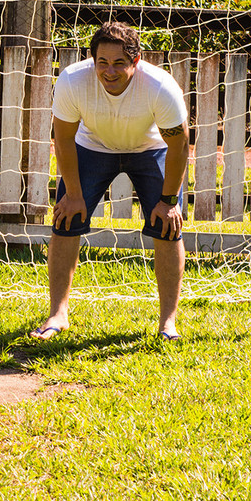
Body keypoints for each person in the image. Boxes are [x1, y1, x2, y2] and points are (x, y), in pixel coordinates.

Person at [31, 21, 190, 342]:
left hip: (150, 148)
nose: (109, 71)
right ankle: (57, 314)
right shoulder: (73, 80)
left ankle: (167, 323)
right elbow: (63, 138)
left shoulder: (160, 86)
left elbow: (179, 145)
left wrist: (169, 201)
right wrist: (73, 193)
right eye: (102, 62)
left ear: (136, 60)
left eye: (119, 63)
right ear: (93, 60)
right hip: (92, 147)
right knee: (66, 219)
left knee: (167, 226)